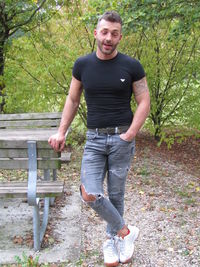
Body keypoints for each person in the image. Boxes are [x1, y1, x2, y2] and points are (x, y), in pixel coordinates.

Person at [48, 11, 150, 267]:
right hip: (93, 140)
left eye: (114, 34)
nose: (109, 38)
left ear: (120, 37)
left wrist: (130, 133)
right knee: (89, 192)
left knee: (116, 195)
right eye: (104, 32)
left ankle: (111, 241)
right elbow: (72, 99)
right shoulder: (82, 65)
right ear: (96, 33)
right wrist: (61, 131)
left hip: (121, 139)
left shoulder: (132, 66)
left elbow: (144, 101)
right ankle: (125, 231)